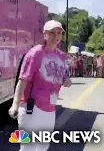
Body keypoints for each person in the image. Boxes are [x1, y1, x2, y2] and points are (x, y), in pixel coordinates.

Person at [8, 20, 72, 151]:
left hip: (50, 108)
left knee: (43, 146)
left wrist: (66, 79)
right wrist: (15, 104)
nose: (56, 36)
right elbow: (23, 80)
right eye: (52, 33)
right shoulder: (35, 53)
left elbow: (63, 74)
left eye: (59, 33)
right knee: (28, 147)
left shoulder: (61, 55)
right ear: (44, 34)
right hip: (31, 107)